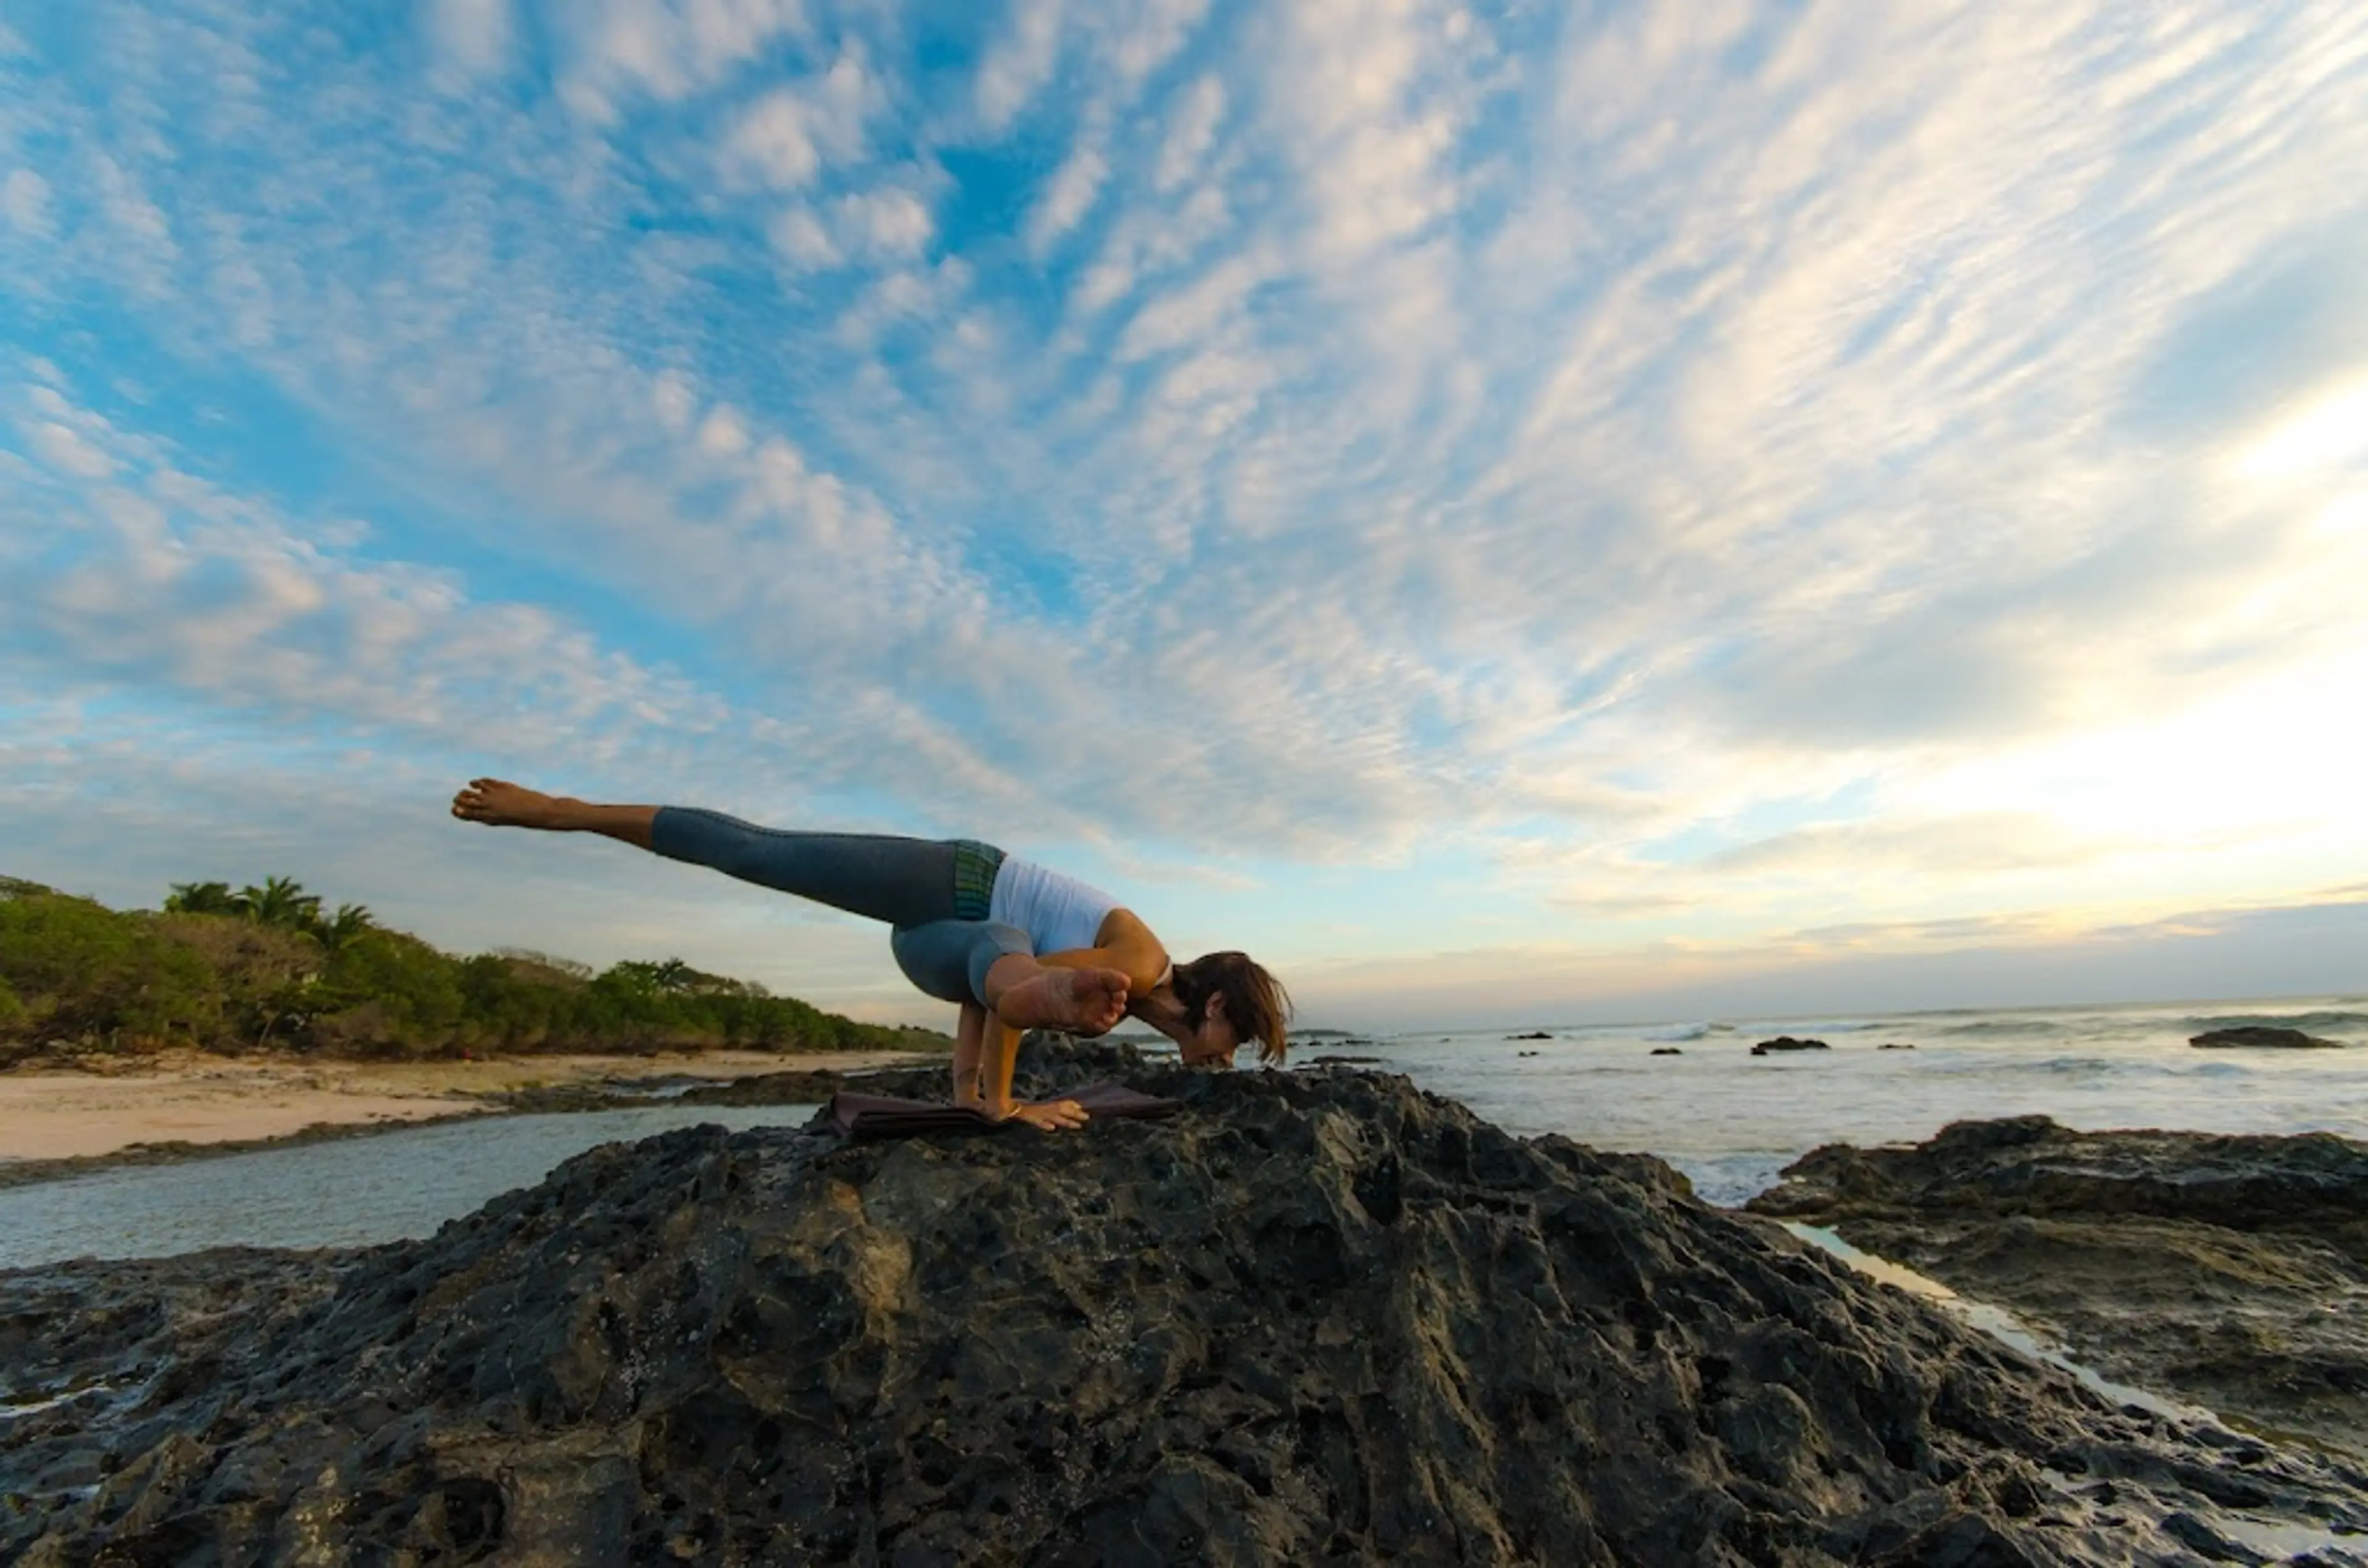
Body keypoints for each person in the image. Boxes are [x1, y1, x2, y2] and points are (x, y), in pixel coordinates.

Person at [450, 779, 1291, 1131]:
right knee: (764, 852)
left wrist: (975, 1100)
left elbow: (990, 992)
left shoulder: (1122, 991)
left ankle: (1009, 1057)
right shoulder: (1138, 965)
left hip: (947, 949)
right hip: (959, 881)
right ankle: (560, 809)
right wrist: (1004, 1103)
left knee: (1005, 970)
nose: (1228, 1060)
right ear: (1215, 1007)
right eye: (1238, 1041)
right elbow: (1014, 992)